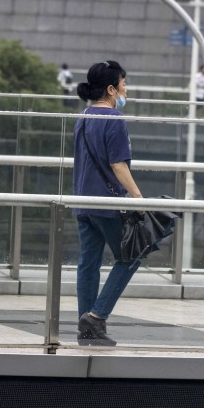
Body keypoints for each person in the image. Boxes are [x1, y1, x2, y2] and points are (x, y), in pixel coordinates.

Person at [72, 60, 144, 346]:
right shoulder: (113, 120)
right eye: (124, 84)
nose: (126, 90)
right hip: (106, 203)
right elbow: (118, 166)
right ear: (112, 89)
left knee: (88, 263)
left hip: (82, 200)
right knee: (130, 257)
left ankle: (86, 327)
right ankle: (97, 316)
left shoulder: (83, 117)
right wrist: (139, 199)